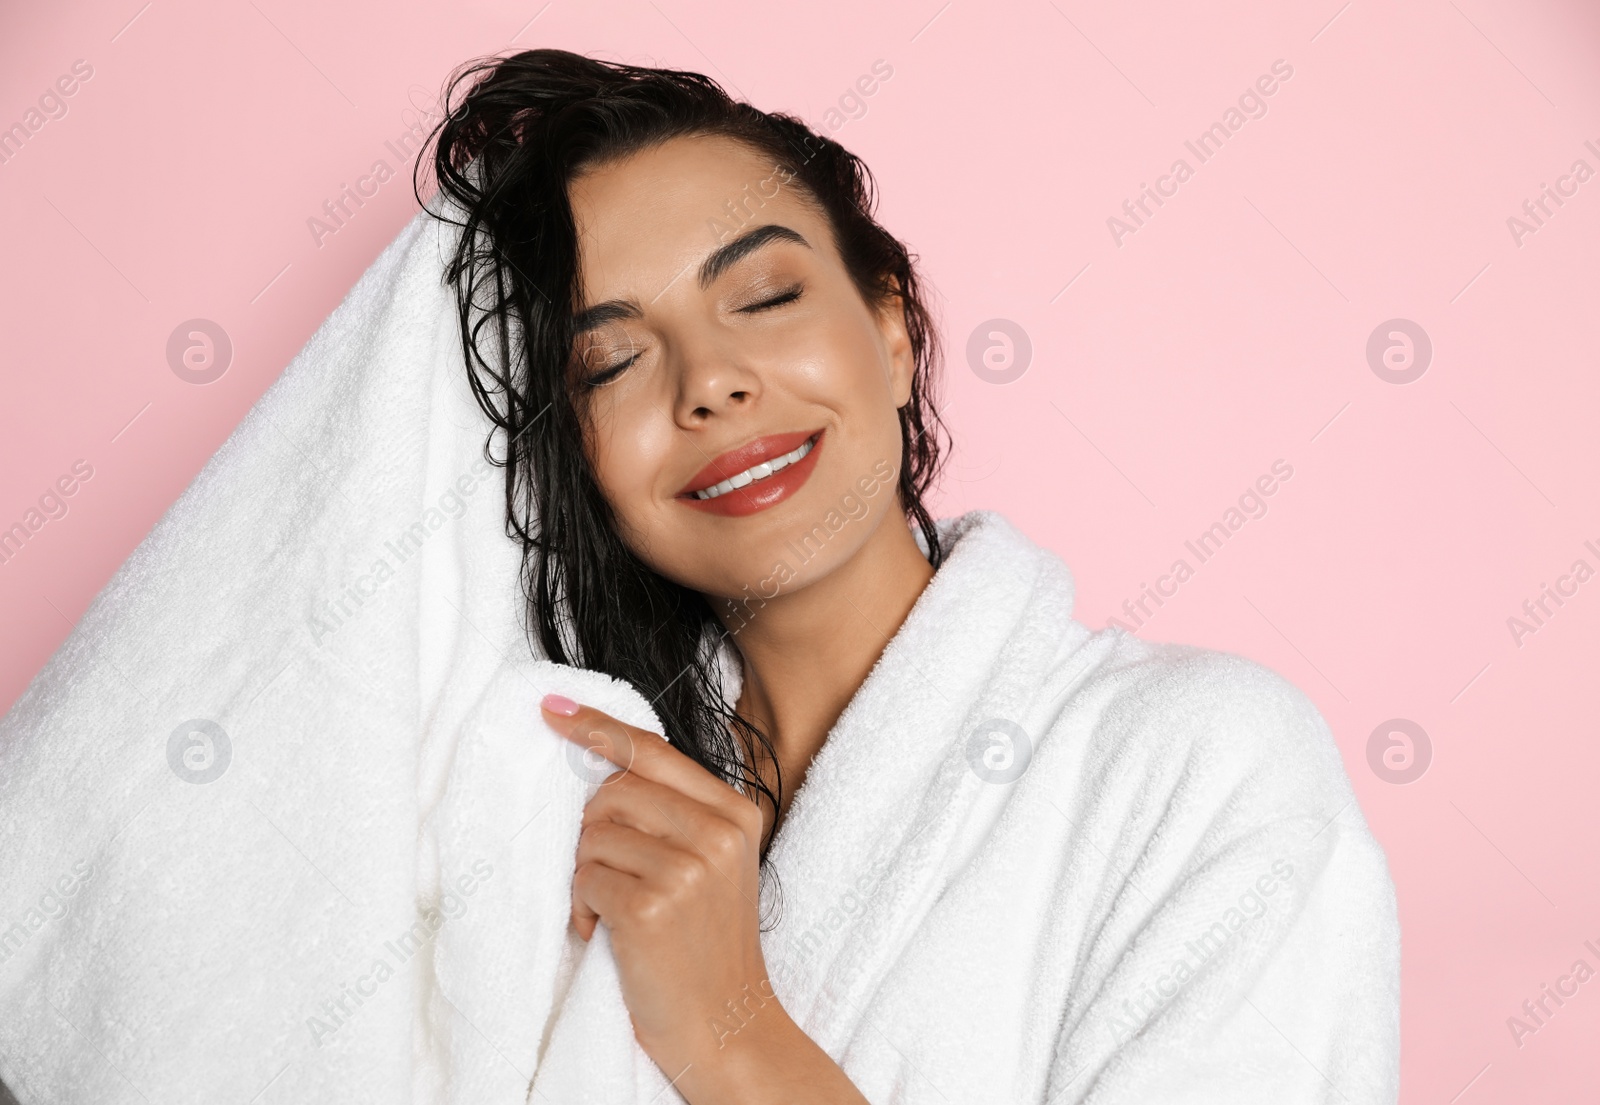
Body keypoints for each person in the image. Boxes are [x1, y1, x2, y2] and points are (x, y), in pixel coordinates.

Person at [414, 48, 1401, 1104]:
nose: (710, 384)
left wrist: (727, 1035)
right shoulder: (545, 806)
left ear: (889, 326)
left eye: (763, 295)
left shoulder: (1203, 762)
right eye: (611, 362)